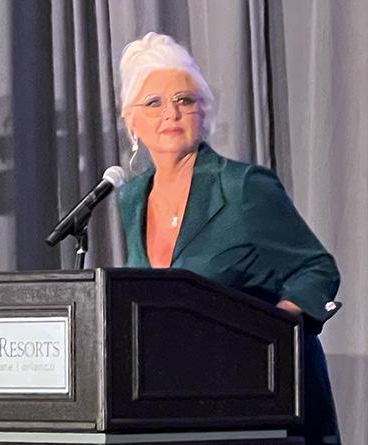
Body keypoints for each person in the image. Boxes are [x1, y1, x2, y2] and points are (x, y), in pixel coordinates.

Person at [116, 32, 343, 445]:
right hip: (178, 405)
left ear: (203, 111)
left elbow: (317, 270)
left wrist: (275, 327)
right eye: (153, 103)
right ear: (132, 122)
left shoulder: (243, 187)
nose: (171, 113)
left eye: (184, 100)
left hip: (261, 406)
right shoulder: (131, 200)